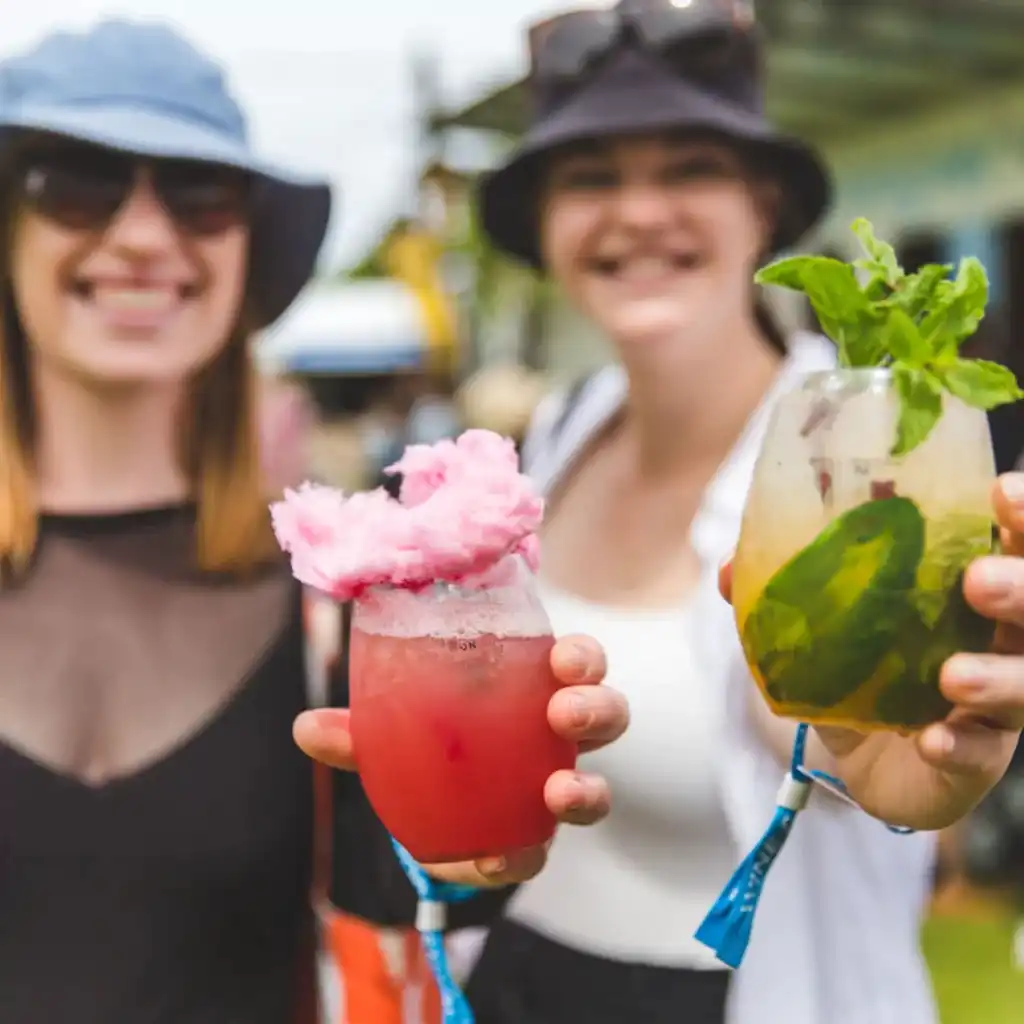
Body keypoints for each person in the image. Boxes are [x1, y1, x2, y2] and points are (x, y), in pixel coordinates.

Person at [0, 20, 627, 1024]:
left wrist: (472, 851)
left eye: (200, 196)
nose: (144, 235)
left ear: (243, 249)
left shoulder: (341, 608)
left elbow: (411, 893)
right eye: (75, 183)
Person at [440, 4, 1024, 1023]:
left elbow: (816, 708)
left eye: (688, 168)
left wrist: (886, 765)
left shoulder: (866, 445)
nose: (637, 212)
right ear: (543, 223)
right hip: (522, 979)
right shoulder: (563, 426)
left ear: (764, 207)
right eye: (589, 178)